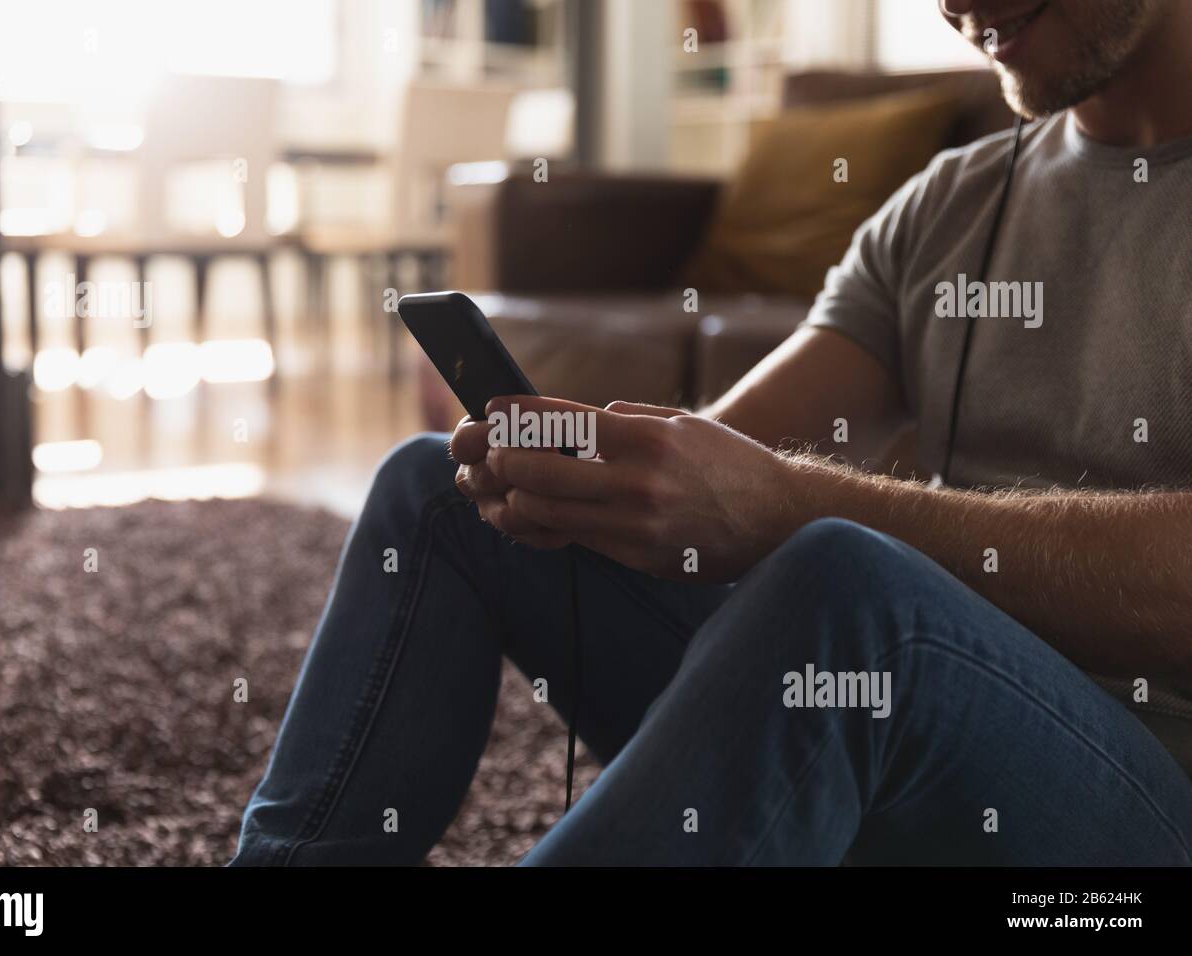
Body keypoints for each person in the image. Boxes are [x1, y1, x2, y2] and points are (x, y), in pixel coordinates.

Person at [231, 0, 1192, 865]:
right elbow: (722, 455)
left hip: (1137, 816)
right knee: (433, 488)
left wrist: (795, 509)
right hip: (892, 755)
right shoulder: (951, 205)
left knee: (846, 589)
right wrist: (594, 475)